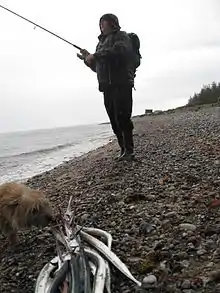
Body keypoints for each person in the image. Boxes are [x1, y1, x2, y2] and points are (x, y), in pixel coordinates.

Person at [77, 13, 136, 161]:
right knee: (114, 121)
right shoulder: (100, 44)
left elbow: (119, 51)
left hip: (121, 84)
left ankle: (129, 151)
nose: (101, 26)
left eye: (103, 23)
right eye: (100, 24)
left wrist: (95, 55)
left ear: (112, 23)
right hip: (106, 87)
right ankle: (123, 150)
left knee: (123, 117)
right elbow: (98, 68)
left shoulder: (121, 36)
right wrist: (88, 59)